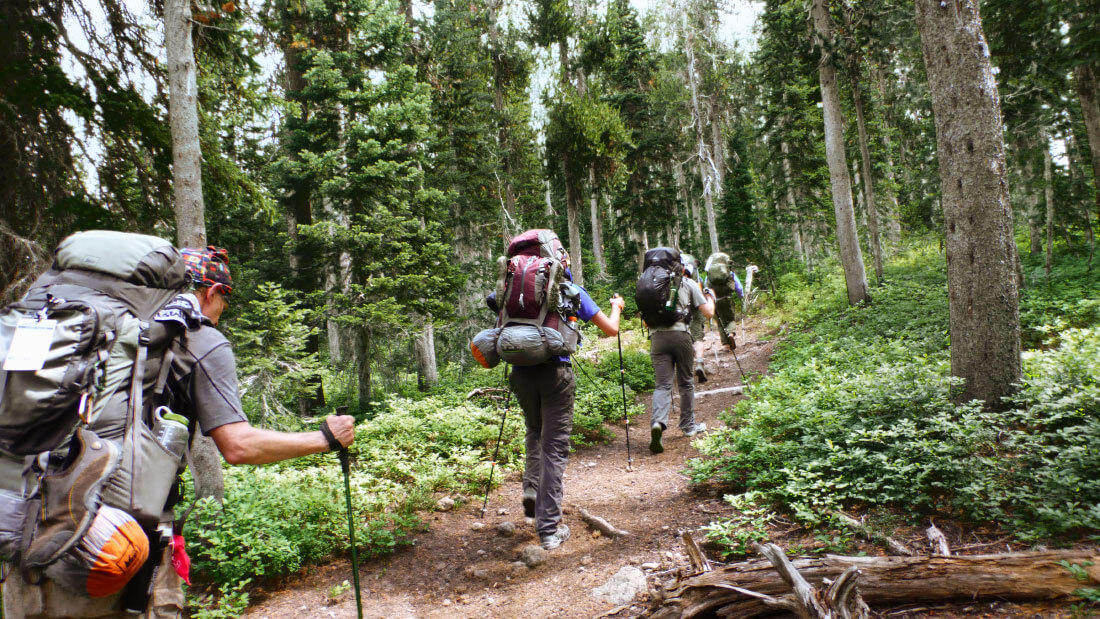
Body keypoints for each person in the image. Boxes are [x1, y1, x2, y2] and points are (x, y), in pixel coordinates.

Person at [2, 245, 357, 619]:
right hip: (111, 553)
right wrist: (325, 438)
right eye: (225, 300)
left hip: (26, 539)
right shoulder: (196, 339)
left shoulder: (86, 337)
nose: (222, 312)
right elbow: (238, 446)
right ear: (212, 292)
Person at [507, 246, 623, 551]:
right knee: (554, 448)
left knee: (534, 430)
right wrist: (617, 308)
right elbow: (611, 330)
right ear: (559, 259)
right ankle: (548, 529)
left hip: (520, 373)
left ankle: (532, 489)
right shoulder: (569, 290)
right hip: (555, 373)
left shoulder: (512, 290)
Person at [649, 254, 715, 454]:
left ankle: (658, 423)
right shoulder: (688, 283)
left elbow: (646, 319)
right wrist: (710, 296)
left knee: (662, 385)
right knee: (685, 382)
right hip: (681, 335)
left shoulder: (651, 285)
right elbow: (708, 313)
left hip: (657, 338)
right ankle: (688, 426)